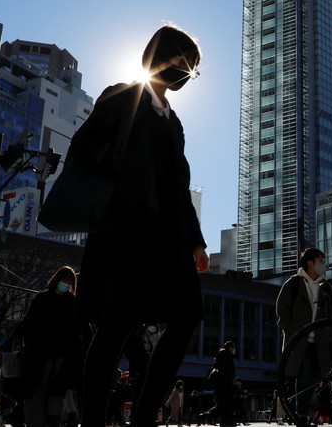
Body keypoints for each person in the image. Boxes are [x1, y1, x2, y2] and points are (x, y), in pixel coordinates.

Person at [73, 24, 209, 427]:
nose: (187, 73)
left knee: (188, 312)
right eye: (186, 62)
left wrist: (197, 242)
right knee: (116, 327)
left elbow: (180, 185)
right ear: (162, 55)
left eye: (193, 69)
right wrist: (127, 170)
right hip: (127, 232)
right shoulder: (123, 95)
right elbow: (83, 147)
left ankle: (145, 415)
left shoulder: (174, 120)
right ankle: (93, 420)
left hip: (168, 238)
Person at [275, 248, 332, 420]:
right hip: (300, 340)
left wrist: (329, 331)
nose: (323, 263)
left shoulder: (325, 286)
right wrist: (292, 331)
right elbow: (281, 311)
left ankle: (306, 414)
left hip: (320, 342)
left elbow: (331, 312)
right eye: (320, 260)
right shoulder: (293, 283)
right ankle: (301, 415)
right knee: (305, 375)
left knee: (318, 378)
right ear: (310, 262)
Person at [21, 266, 82, 427]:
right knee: (39, 389)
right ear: (56, 280)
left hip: (62, 353)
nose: (66, 285)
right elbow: (29, 324)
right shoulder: (42, 299)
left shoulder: (72, 302)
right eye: (64, 281)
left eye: (70, 282)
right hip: (40, 352)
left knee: (57, 390)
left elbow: (76, 329)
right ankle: (38, 421)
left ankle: (53, 419)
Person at [211, 341, 237, 427]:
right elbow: (227, 370)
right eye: (233, 347)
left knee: (224, 405)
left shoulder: (221, 355)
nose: (234, 350)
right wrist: (231, 379)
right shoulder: (226, 356)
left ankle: (225, 422)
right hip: (225, 385)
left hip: (221, 384)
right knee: (227, 404)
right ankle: (208, 416)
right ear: (230, 348)